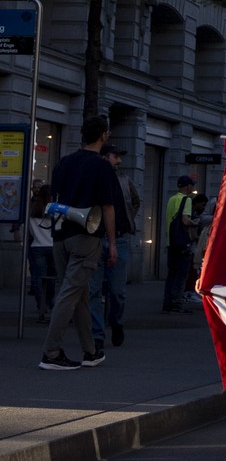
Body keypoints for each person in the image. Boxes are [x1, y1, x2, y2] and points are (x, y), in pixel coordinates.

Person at [40, 115, 118, 371]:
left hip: (60, 236)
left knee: (79, 294)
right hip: (87, 236)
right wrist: (113, 243)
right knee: (70, 294)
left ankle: (91, 351)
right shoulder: (102, 166)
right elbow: (107, 206)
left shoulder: (63, 162)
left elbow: (55, 198)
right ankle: (51, 352)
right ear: (104, 136)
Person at [91, 144, 139, 347]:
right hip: (95, 238)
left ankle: (116, 322)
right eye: (115, 156)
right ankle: (97, 334)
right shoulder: (94, 178)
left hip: (120, 238)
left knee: (116, 290)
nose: (119, 160)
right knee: (93, 290)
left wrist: (127, 220)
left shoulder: (124, 180)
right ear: (104, 157)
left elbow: (136, 201)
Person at [162, 174, 197, 313]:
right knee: (181, 275)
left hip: (171, 242)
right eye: (192, 185)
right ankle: (177, 303)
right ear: (187, 186)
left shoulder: (171, 199)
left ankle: (167, 303)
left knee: (171, 274)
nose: (193, 187)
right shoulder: (186, 200)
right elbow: (185, 220)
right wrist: (194, 223)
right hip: (182, 243)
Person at [24, 181, 56, 325]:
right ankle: (51, 304)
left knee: (38, 279)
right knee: (52, 278)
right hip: (52, 247)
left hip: (37, 246)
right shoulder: (55, 210)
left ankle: (41, 308)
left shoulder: (32, 210)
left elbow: (30, 232)